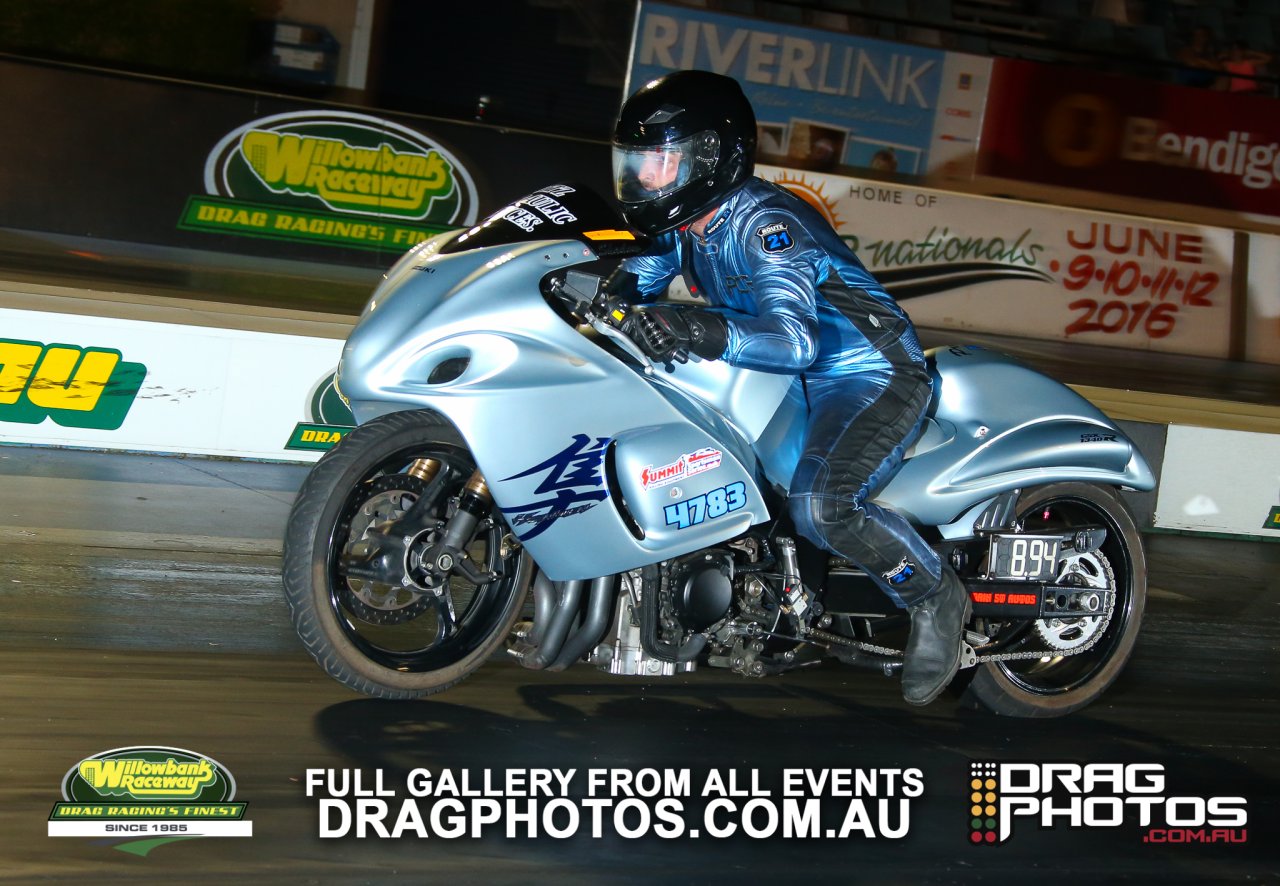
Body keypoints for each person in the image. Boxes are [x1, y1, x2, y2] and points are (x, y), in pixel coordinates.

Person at [607, 70, 969, 706]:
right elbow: (632, 279)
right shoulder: (685, 223)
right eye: (638, 164)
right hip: (783, 381)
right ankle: (792, 600)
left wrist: (693, 325)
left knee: (824, 505)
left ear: (713, 157)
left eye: (660, 163)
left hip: (866, 371)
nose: (644, 179)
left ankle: (935, 597)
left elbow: (794, 340)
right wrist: (592, 295)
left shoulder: (768, 225)